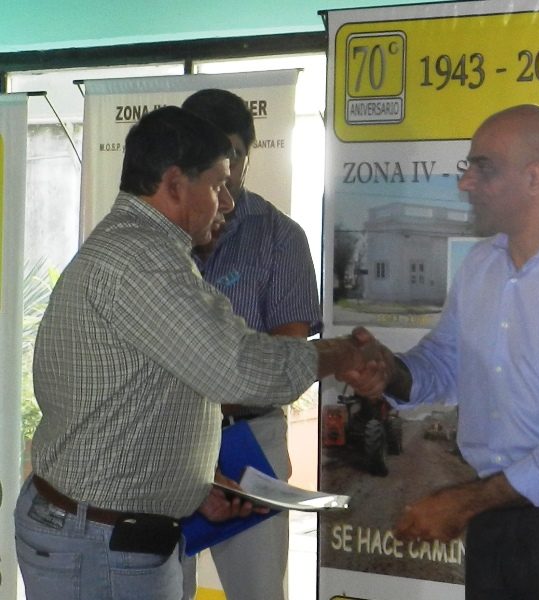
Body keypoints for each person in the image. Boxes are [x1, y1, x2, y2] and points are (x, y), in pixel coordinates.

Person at [14, 105, 383, 600]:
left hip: (108, 531)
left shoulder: (145, 247)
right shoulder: (143, 260)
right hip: (101, 543)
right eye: (217, 185)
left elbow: (134, 398)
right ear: (174, 184)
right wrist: (342, 355)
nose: (228, 202)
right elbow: (239, 369)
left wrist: (191, 485)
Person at [351, 104, 539, 599]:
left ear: (536, 178)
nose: (465, 183)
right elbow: (446, 362)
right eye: (468, 167)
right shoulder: (480, 267)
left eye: (483, 168)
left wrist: (465, 501)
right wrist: (391, 371)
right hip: (496, 517)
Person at [178, 88, 321, 600]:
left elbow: (287, 360)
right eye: (209, 155)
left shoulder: (279, 236)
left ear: (247, 156)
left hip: (248, 442)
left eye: (233, 155)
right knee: (159, 585)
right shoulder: (154, 238)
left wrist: (204, 393)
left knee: (257, 592)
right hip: (164, 442)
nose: (223, 169)